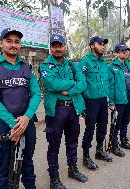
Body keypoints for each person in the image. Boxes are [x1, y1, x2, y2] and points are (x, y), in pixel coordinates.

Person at [0, 28, 41, 189]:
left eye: (16, 41)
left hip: (25, 122)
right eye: (9, 41)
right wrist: (13, 124)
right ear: (1, 43)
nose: (13, 45)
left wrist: (27, 117)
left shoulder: (26, 67)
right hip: (3, 124)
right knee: (5, 168)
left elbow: (36, 94)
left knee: (27, 164)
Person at [39, 34, 88, 189]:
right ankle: (54, 178)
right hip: (56, 110)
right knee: (54, 144)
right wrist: (73, 84)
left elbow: (83, 84)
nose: (57, 48)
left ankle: (72, 169)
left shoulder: (73, 66)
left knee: (72, 141)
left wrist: (71, 91)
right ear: (51, 48)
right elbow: (52, 84)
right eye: (54, 46)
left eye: (60, 45)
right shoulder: (45, 66)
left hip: (73, 107)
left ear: (65, 47)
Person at [79, 36, 113, 171]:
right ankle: (86, 156)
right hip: (91, 101)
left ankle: (99, 151)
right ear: (92, 46)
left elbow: (109, 82)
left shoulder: (104, 63)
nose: (102, 46)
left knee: (103, 126)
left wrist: (109, 99)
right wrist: (82, 105)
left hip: (103, 100)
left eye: (103, 44)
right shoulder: (85, 62)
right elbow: (80, 83)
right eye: (100, 44)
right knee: (90, 128)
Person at [108, 43, 130, 157]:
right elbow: (110, 86)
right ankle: (113, 145)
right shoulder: (112, 67)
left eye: (126, 51)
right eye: (123, 50)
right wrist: (111, 102)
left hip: (129, 98)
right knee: (116, 123)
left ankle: (123, 141)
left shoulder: (129, 65)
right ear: (116, 53)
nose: (126, 52)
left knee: (125, 121)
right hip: (118, 100)